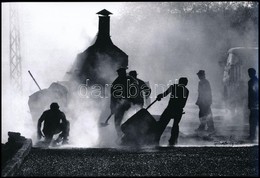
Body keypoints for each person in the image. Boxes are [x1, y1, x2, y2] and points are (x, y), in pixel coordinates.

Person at [156, 77, 189, 145]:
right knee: (175, 125)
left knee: (162, 123)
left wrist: (160, 96)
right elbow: (183, 102)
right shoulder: (186, 90)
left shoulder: (173, 87)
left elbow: (165, 94)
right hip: (179, 110)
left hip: (170, 108)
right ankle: (173, 141)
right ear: (185, 83)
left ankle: (156, 138)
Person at [110, 67, 137, 138]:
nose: (123, 74)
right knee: (117, 122)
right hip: (120, 105)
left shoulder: (130, 79)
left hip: (128, 104)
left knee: (129, 120)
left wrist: (133, 98)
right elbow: (113, 96)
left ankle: (129, 136)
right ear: (119, 74)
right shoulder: (115, 83)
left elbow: (135, 87)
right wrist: (112, 107)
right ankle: (120, 136)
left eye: (123, 72)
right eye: (121, 73)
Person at [247, 68, 259, 141]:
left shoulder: (251, 82)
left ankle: (252, 136)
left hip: (254, 104)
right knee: (253, 121)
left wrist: (250, 103)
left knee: (252, 121)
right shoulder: (253, 81)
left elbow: (252, 94)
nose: (249, 74)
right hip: (254, 104)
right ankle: (252, 136)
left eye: (250, 73)